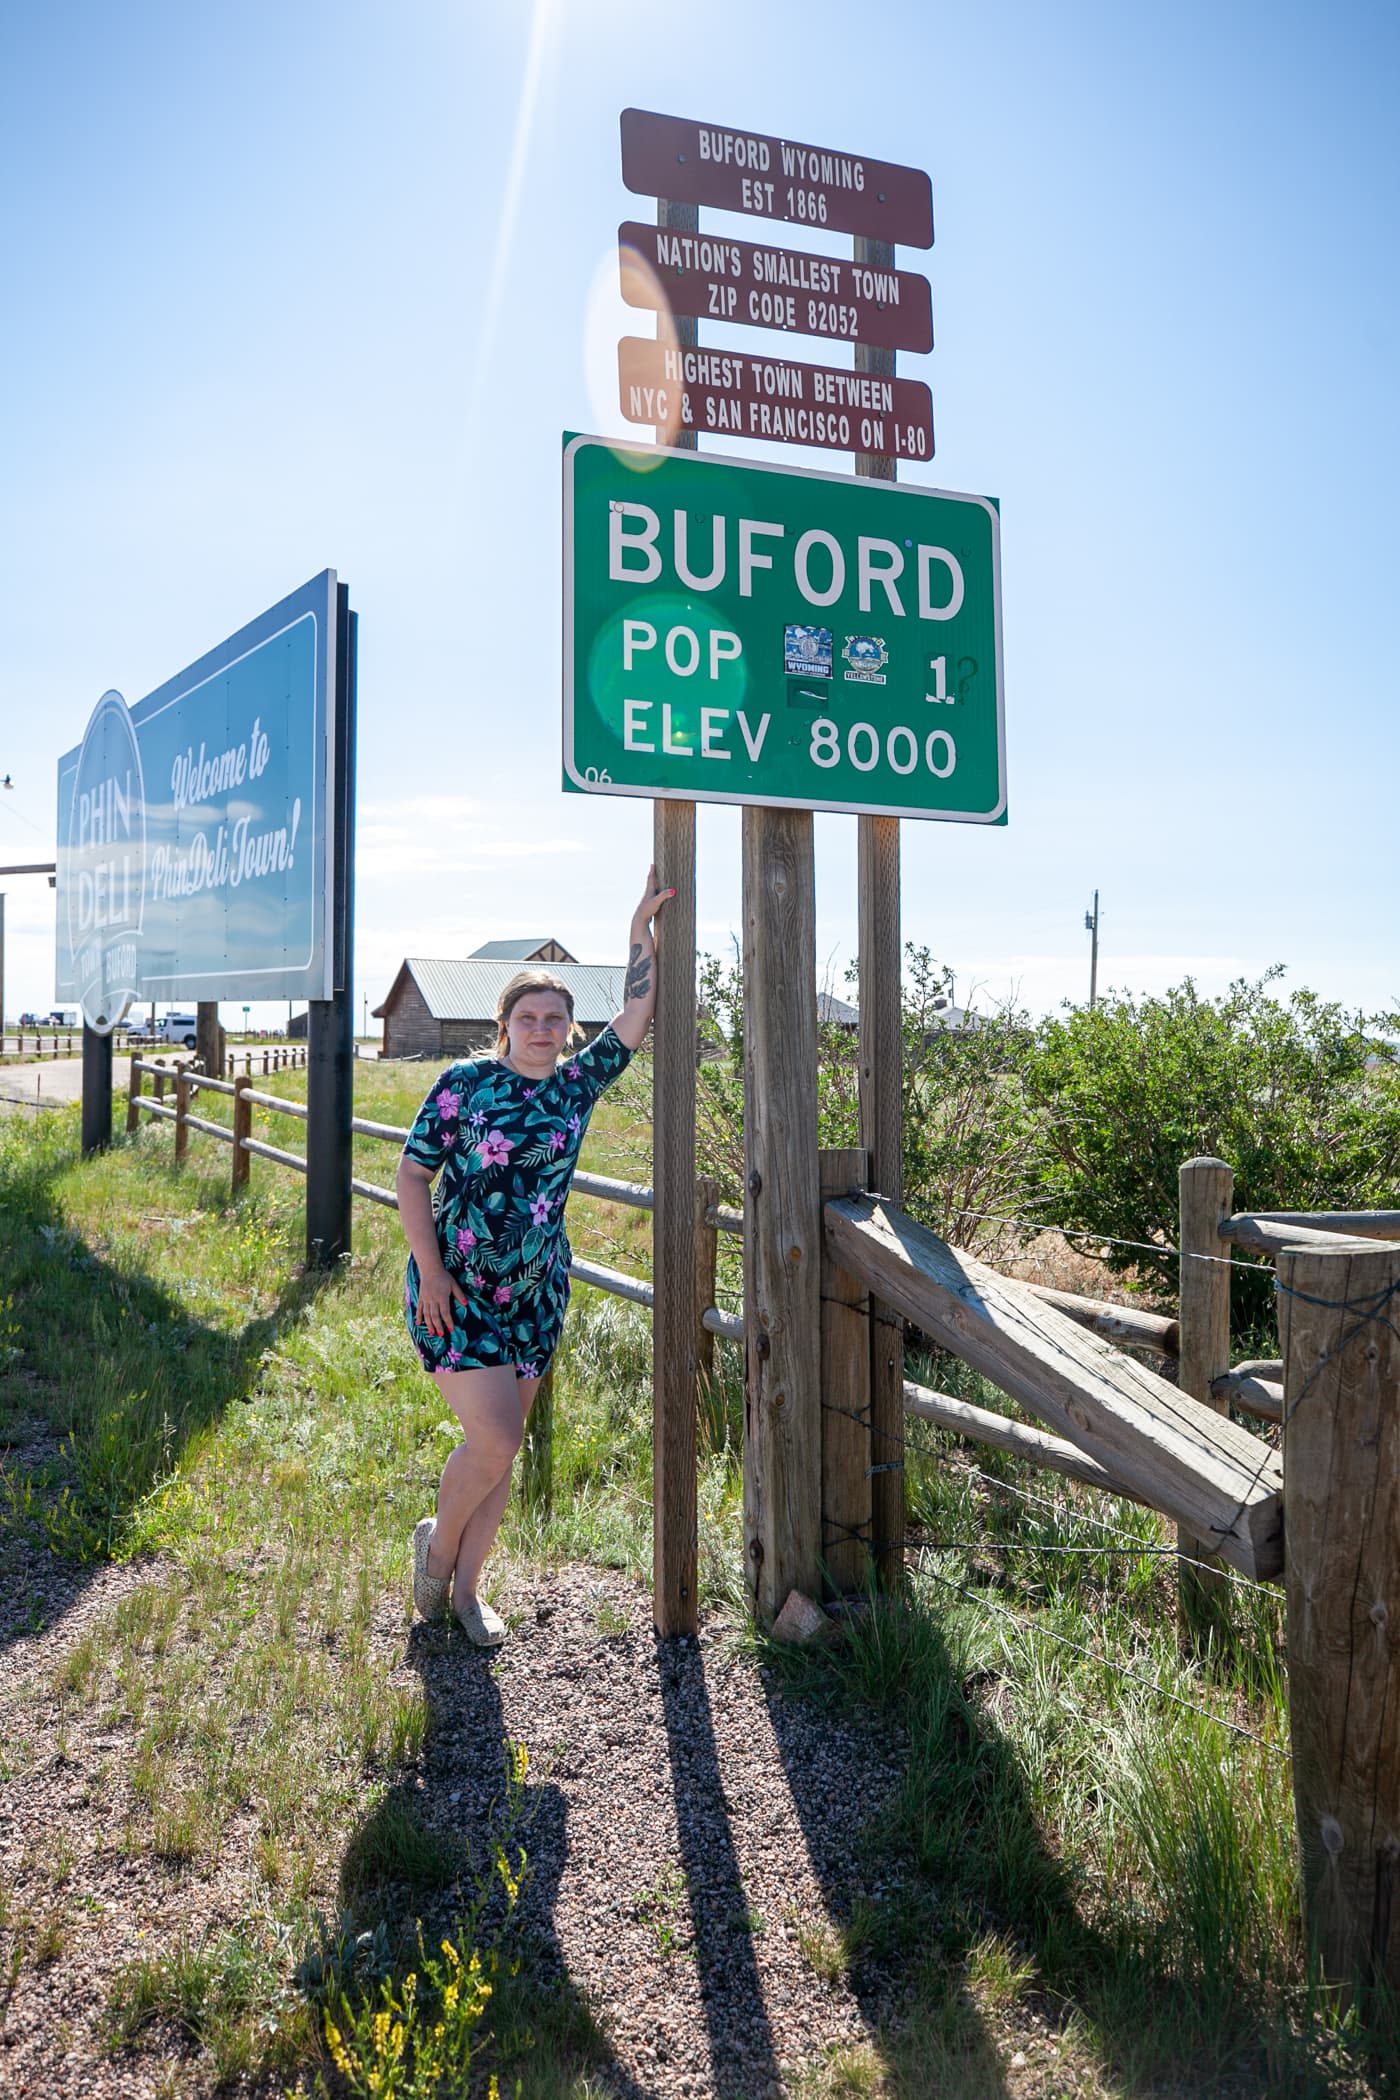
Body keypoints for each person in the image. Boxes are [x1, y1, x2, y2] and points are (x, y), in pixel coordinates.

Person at [396, 868, 673, 1645]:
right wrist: (435, 1272)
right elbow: (413, 1174)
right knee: (496, 1440)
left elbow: (637, 1011)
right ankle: (438, 1552)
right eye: (529, 1015)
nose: (543, 1027)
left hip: (537, 1291)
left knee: (501, 1454)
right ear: (505, 1023)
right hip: (455, 1288)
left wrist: (636, 933)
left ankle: (468, 1593)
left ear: (568, 1029)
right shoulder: (464, 1086)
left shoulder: (575, 1088)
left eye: (556, 1017)